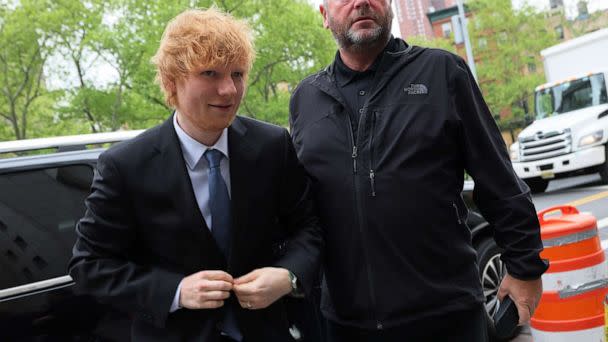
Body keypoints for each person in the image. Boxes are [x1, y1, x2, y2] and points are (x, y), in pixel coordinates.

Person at [289, 0, 548, 341]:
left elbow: (497, 178)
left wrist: (525, 267)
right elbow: (301, 212)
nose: (362, 2)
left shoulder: (442, 72)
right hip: (346, 325)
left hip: (446, 315)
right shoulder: (306, 98)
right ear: (324, 16)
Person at [69, 8, 323, 342]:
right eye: (210, 73)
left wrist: (288, 275)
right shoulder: (125, 165)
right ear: (172, 80)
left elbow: (309, 227)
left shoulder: (272, 146)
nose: (230, 90)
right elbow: (89, 266)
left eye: (237, 74)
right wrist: (176, 291)